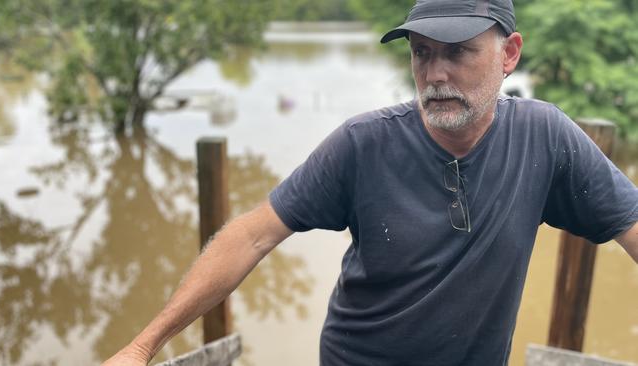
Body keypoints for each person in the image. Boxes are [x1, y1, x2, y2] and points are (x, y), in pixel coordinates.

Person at [103, 0, 638, 365]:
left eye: (457, 52)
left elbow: (631, 225)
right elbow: (252, 234)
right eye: (422, 53)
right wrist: (142, 347)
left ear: (509, 54)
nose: (435, 74)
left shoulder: (545, 137)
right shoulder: (363, 143)